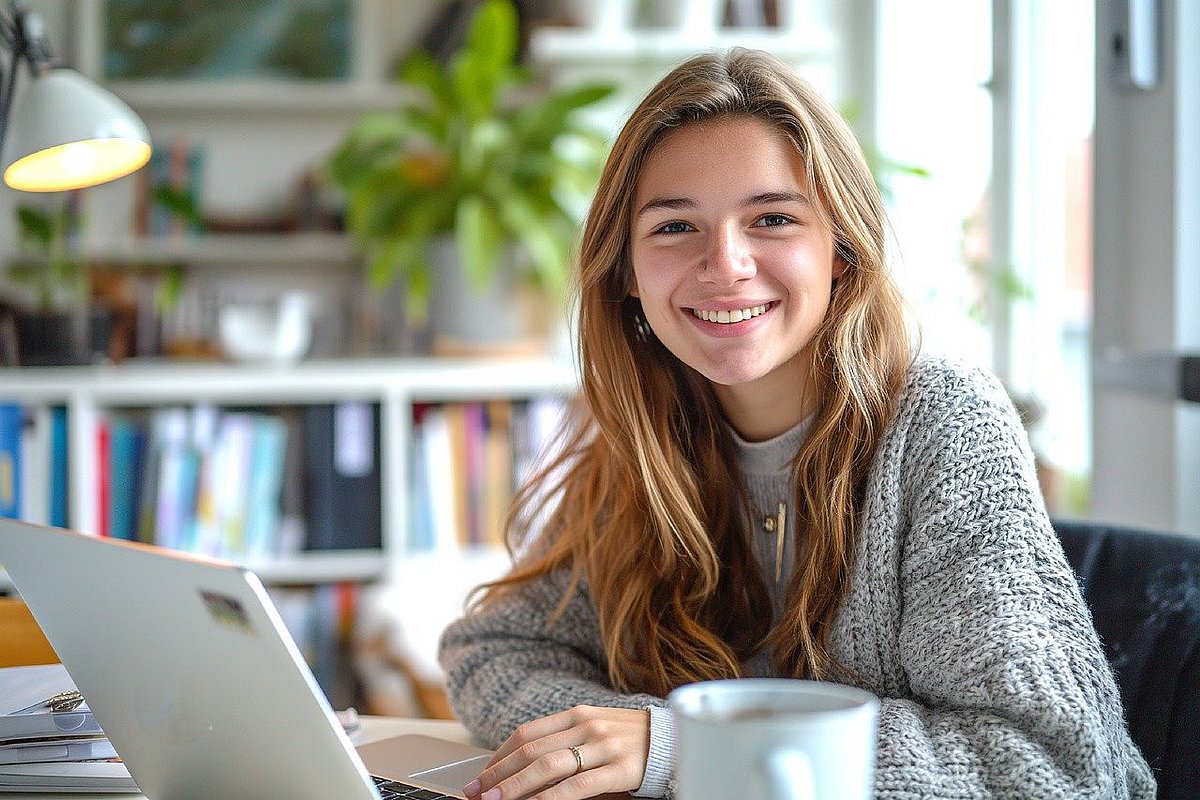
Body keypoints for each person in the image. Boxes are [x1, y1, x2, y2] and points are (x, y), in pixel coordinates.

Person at [438, 48, 1155, 799]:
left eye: (772, 218)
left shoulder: (946, 422)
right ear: (625, 270)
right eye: (675, 227)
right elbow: (492, 648)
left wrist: (688, 747)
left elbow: (1047, 764)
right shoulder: (647, 433)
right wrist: (626, 739)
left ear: (841, 248)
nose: (727, 264)